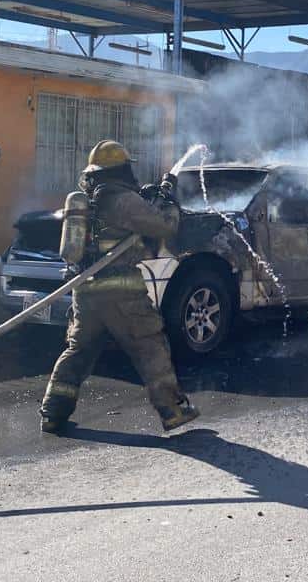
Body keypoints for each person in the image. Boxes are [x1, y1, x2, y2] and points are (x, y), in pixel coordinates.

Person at [39, 140, 199, 434]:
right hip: (121, 292)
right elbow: (164, 226)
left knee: (79, 351)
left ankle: (53, 412)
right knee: (150, 345)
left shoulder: (87, 201)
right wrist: (169, 202)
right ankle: (173, 409)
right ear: (122, 169)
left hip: (85, 293)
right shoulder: (123, 199)